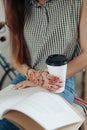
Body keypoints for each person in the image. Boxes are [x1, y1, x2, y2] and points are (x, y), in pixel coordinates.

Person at [0, 0, 87, 129]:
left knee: (27, 122)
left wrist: (46, 76)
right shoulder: (14, 3)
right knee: (6, 120)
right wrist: (32, 74)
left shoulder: (79, 2)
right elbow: (15, 56)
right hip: (27, 76)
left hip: (59, 79)